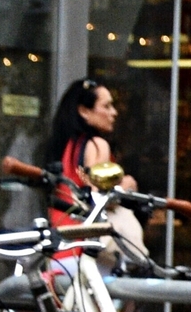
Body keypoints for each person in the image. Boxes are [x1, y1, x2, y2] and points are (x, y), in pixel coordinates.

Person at [46, 77, 147, 262]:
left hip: (60, 251)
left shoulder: (66, 146)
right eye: (106, 106)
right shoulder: (98, 145)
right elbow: (98, 197)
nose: (114, 113)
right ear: (84, 111)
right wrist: (126, 186)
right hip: (88, 254)